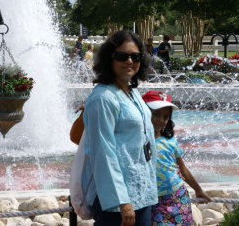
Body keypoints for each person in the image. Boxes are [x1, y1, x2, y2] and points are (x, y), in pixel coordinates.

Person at [83, 29, 157, 226]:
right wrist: (122, 202)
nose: (129, 61)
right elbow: (103, 153)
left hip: (140, 191)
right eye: (121, 56)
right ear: (109, 59)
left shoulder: (131, 92)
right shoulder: (103, 98)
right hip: (116, 200)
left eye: (135, 56)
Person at [142, 91, 211, 226]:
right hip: (153, 201)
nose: (161, 120)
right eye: (155, 114)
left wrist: (198, 189)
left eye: (165, 116)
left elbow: (182, 169)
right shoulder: (137, 142)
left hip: (178, 197)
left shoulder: (170, 141)